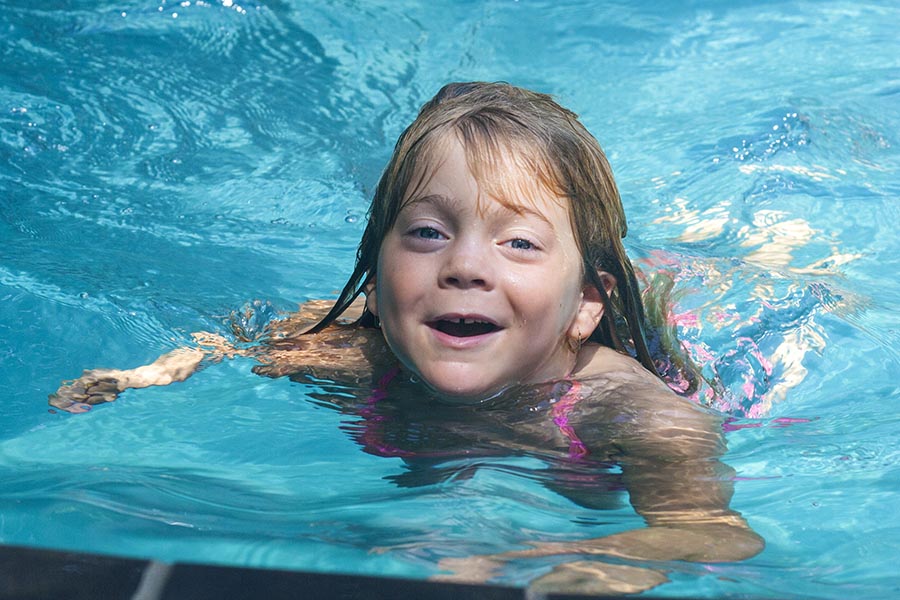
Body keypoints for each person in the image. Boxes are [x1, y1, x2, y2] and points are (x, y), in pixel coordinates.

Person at [49, 82, 763, 595]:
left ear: (583, 307)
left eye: (517, 242)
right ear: (377, 282)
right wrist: (150, 375)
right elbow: (233, 342)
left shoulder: (632, 413)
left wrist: (614, 560)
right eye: (427, 232)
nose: (464, 266)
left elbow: (715, 531)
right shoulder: (354, 348)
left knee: (707, 286)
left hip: (719, 343)